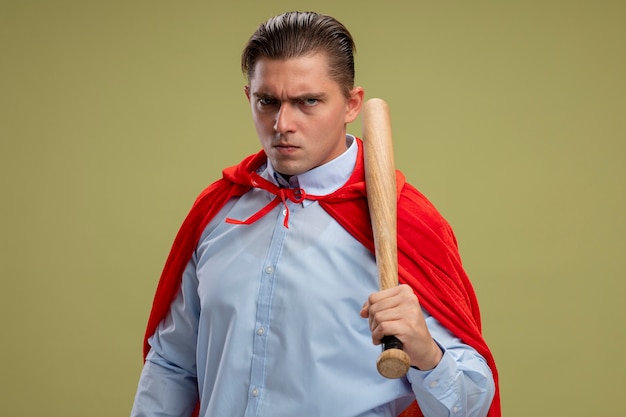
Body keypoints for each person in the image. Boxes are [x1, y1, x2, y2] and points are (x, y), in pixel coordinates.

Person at [130, 11, 500, 417]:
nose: (282, 124)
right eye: (267, 101)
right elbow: (170, 365)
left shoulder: (406, 223)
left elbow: (471, 406)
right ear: (248, 97)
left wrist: (428, 354)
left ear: (351, 104)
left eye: (308, 101)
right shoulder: (217, 212)